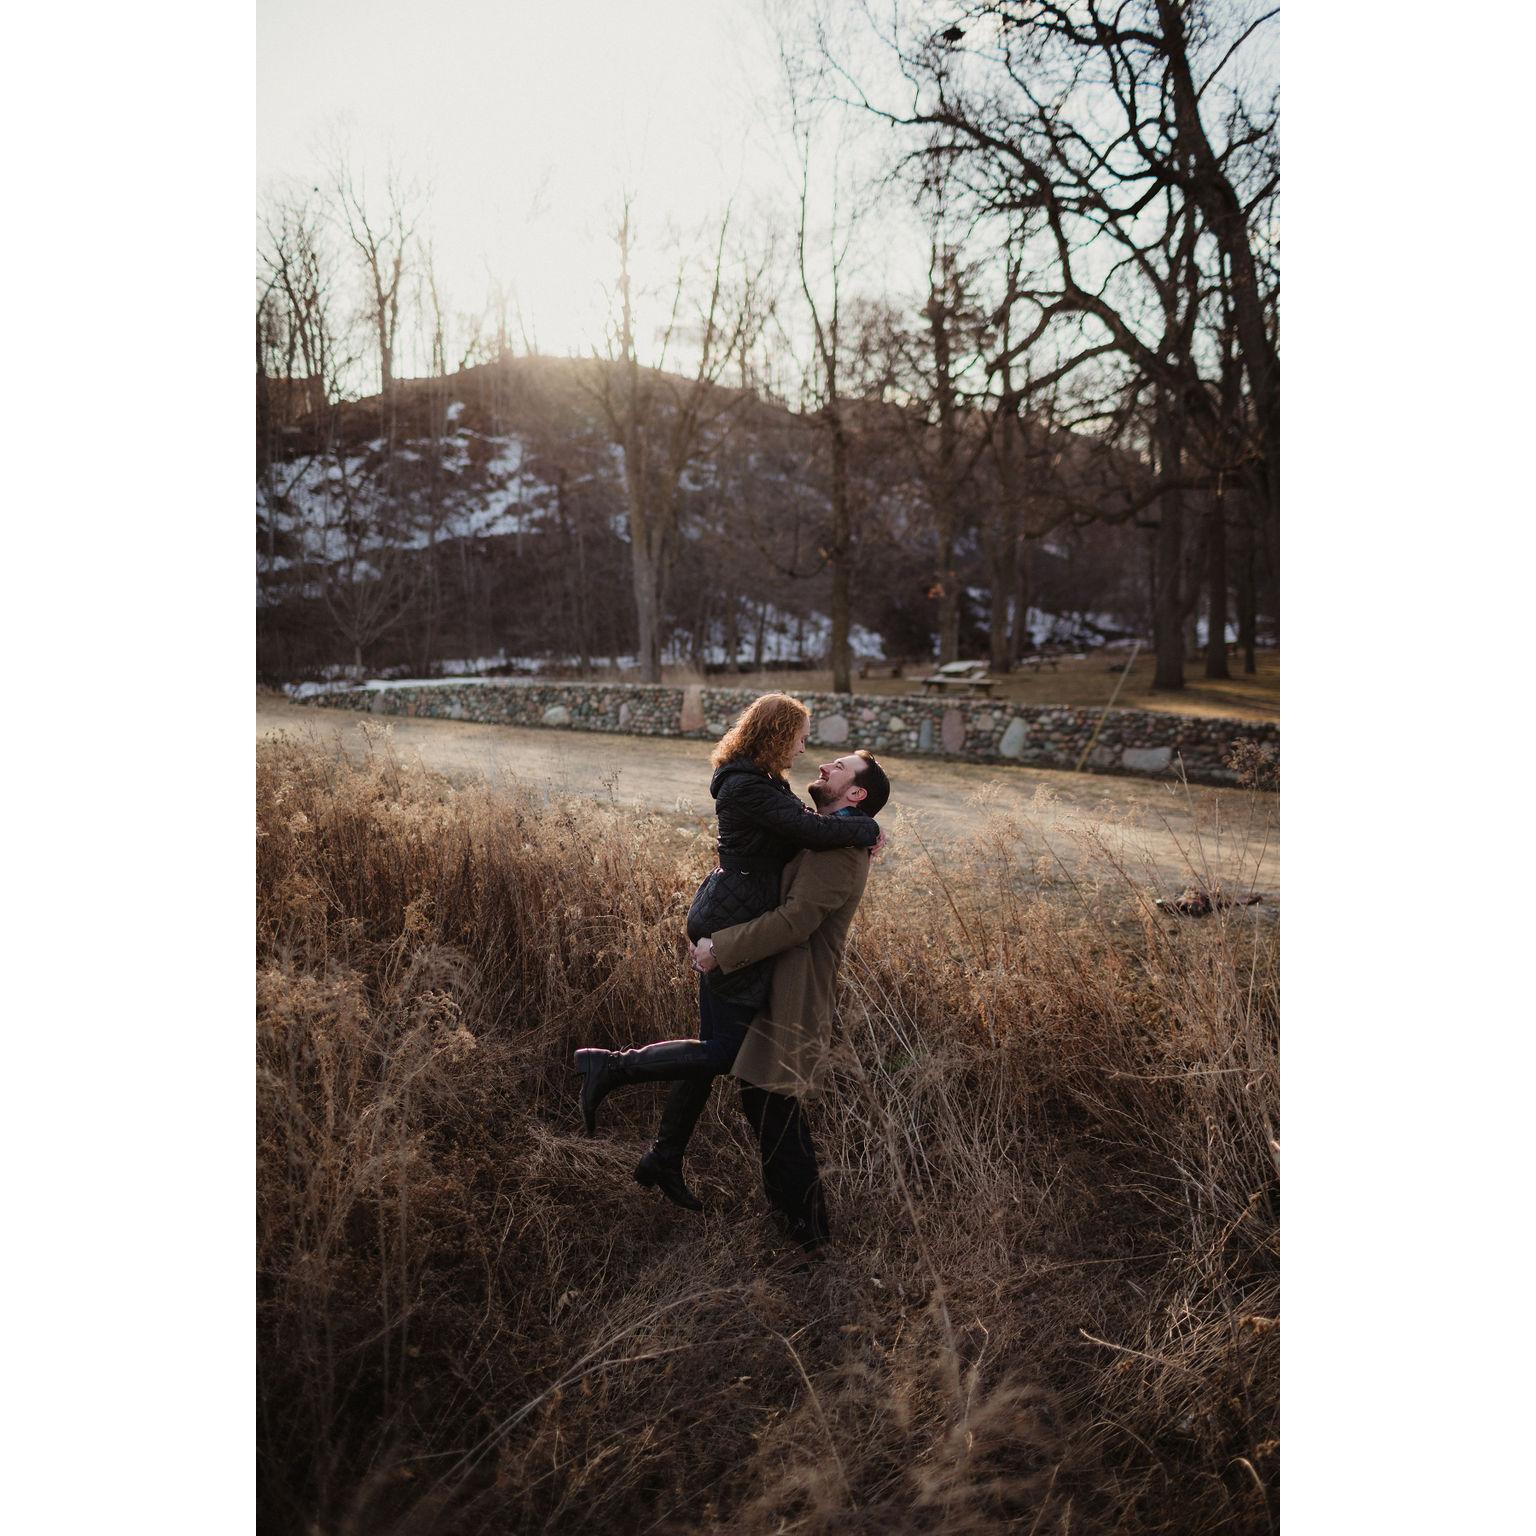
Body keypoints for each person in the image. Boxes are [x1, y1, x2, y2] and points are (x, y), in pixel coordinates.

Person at [572, 694, 881, 1209]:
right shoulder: (747, 785)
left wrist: (856, 826)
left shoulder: (763, 781)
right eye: (801, 737)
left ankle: (665, 1155)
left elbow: (805, 830)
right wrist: (867, 826)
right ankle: (609, 1067)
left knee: (710, 1046)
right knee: (724, 1051)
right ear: (778, 734)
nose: (806, 750)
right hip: (730, 922)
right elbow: (809, 829)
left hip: (731, 915)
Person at [692, 749, 891, 1256]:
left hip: (794, 994)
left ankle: (810, 1239)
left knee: (775, 1109)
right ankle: (796, 1227)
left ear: (856, 793)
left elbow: (796, 921)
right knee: (765, 1105)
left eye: (840, 768)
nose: (824, 766)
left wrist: (723, 948)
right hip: (771, 984)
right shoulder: (825, 834)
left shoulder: (840, 849)